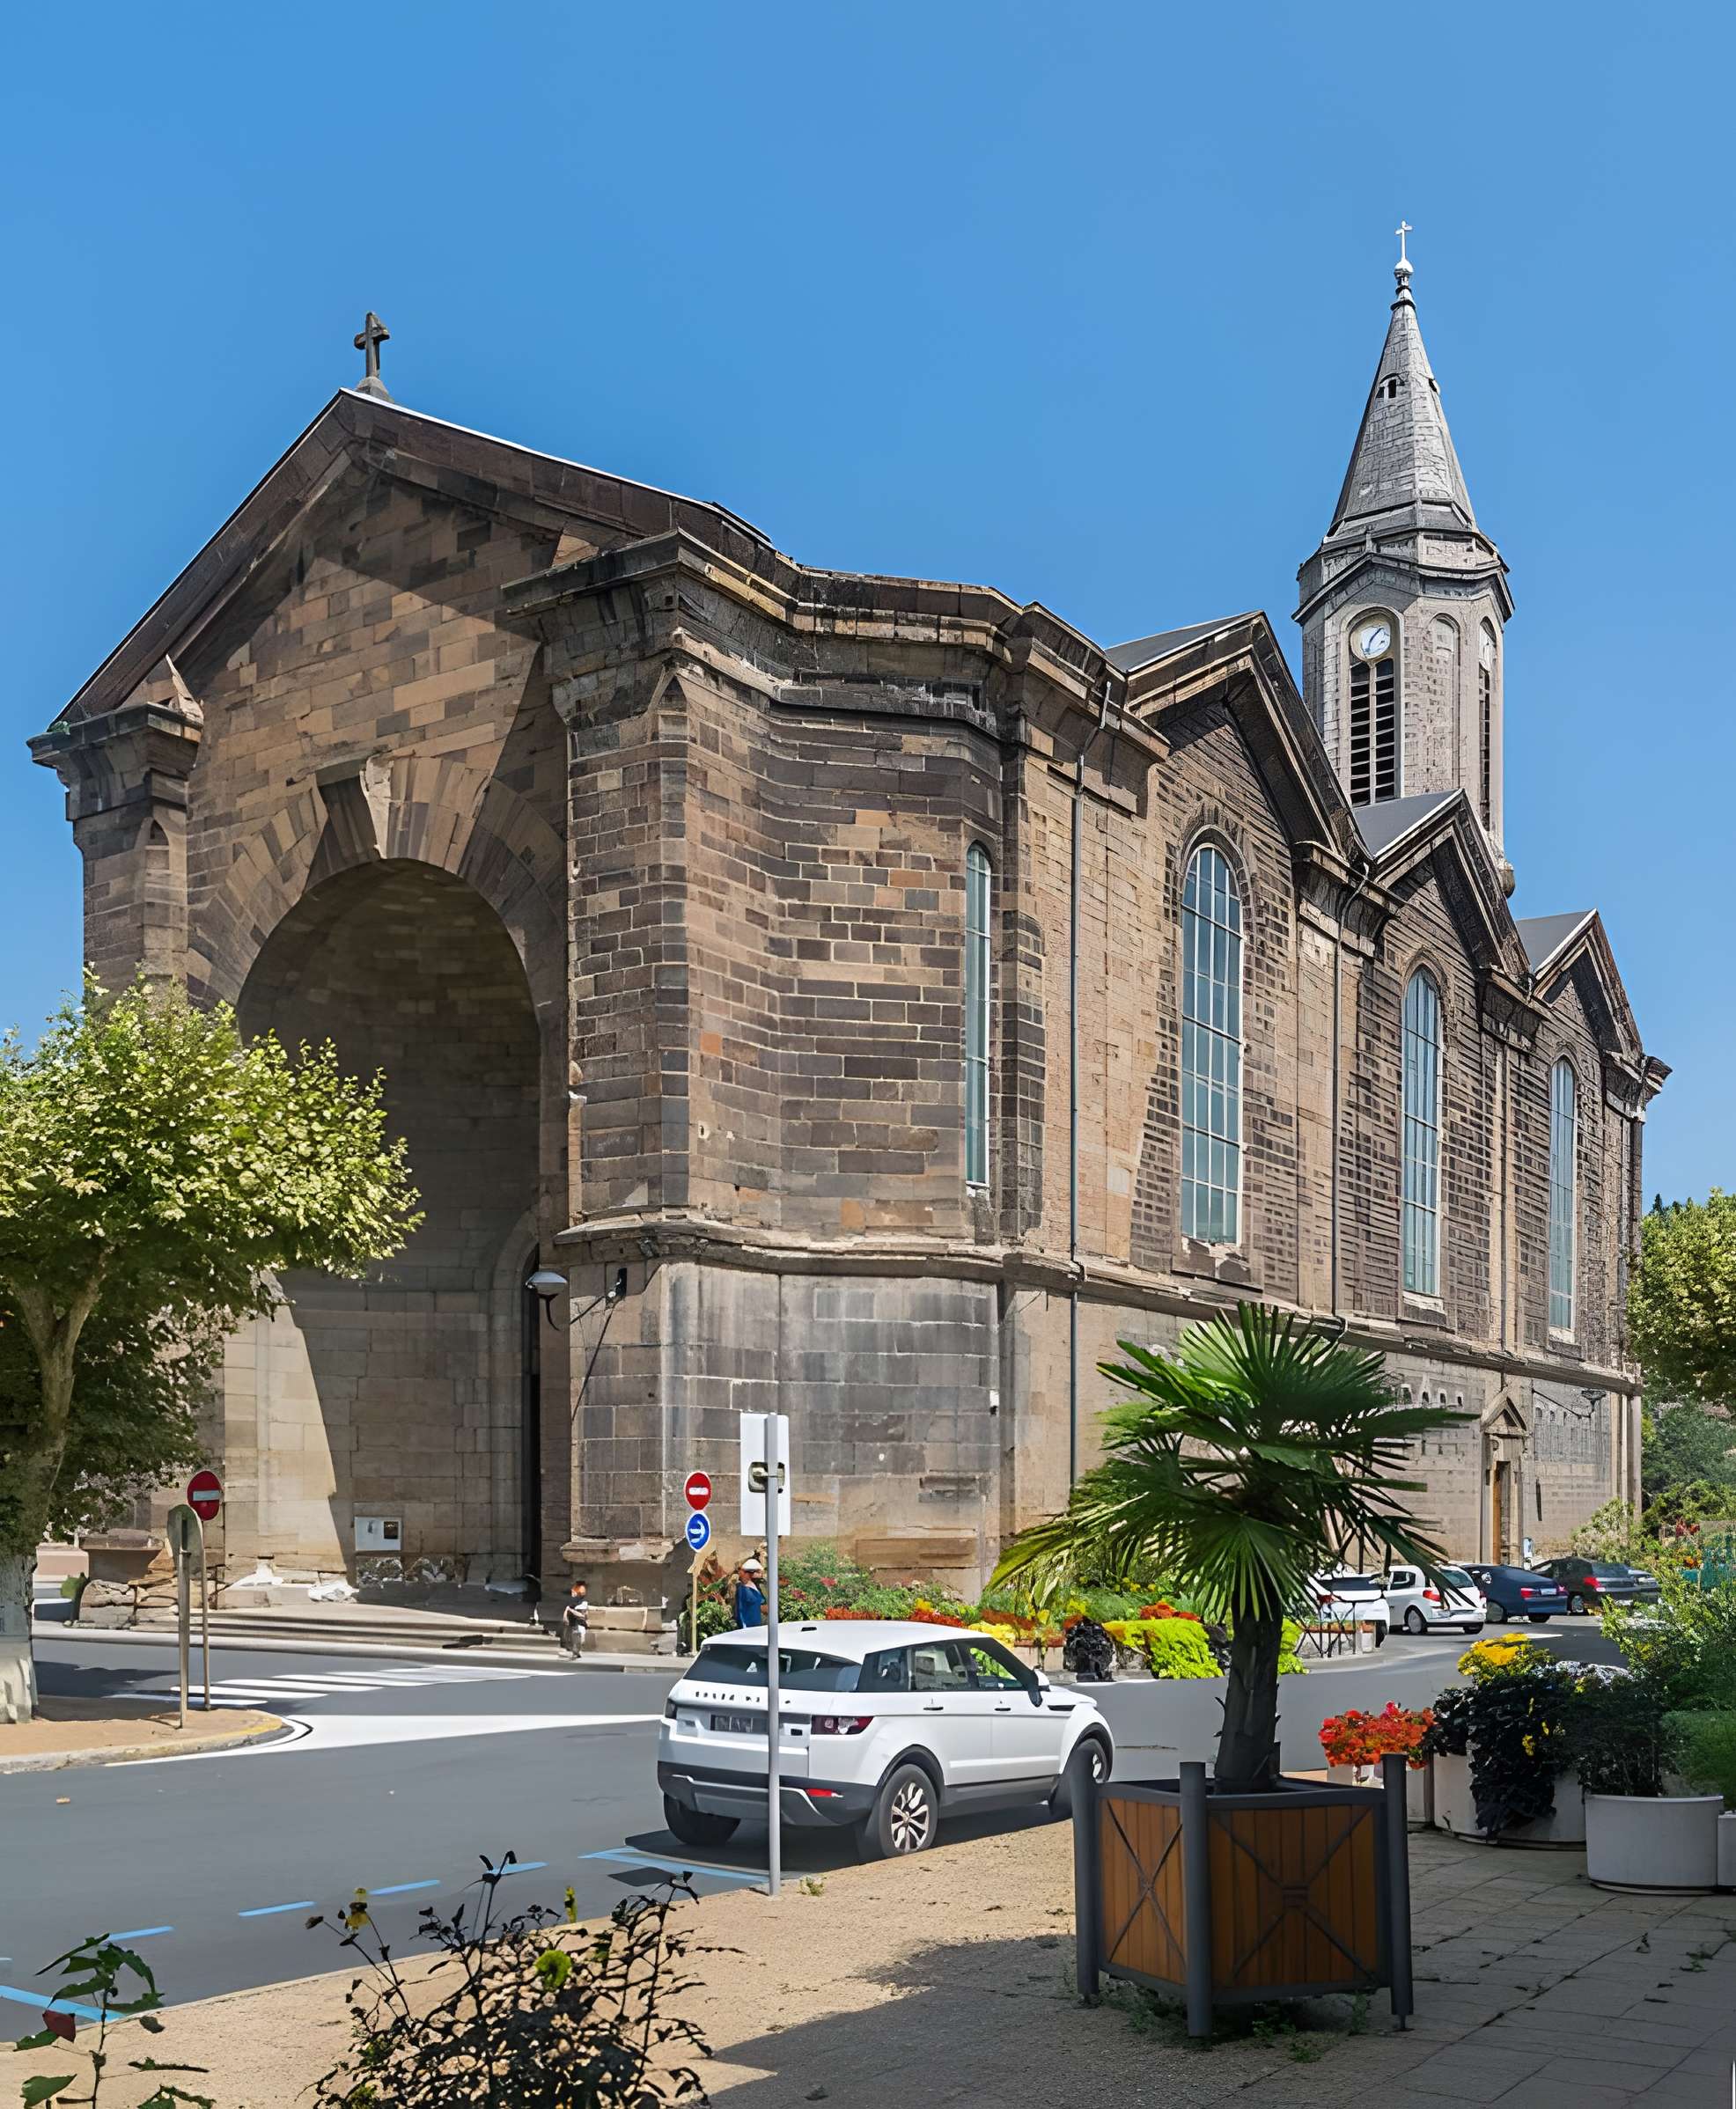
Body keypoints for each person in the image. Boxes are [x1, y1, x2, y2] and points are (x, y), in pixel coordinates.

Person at [732, 1558, 766, 1629]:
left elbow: (761, 1603)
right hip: (748, 1628)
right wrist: (744, 1628)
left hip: (757, 1626)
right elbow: (739, 1611)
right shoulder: (741, 1589)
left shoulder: (754, 1585)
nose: (739, 1573)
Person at [560, 1578, 589, 1657]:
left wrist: (569, 1611)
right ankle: (575, 1650)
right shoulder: (577, 1593)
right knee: (572, 1636)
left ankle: (576, 1650)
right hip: (573, 1620)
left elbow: (582, 1615)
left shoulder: (580, 1595)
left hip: (577, 1621)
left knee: (575, 1635)